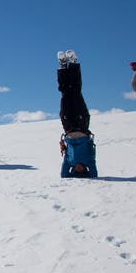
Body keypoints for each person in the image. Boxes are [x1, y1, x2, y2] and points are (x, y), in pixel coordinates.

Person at [57, 50, 98, 178]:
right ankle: (73, 64)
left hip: (68, 127)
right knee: (75, 92)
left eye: (76, 171)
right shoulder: (88, 161)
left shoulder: (69, 162)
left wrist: (70, 173)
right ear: (85, 169)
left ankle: (63, 67)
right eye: (82, 170)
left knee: (64, 93)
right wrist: (89, 173)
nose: (79, 168)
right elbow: (94, 174)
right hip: (82, 126)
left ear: (73, 169)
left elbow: (64, 174)